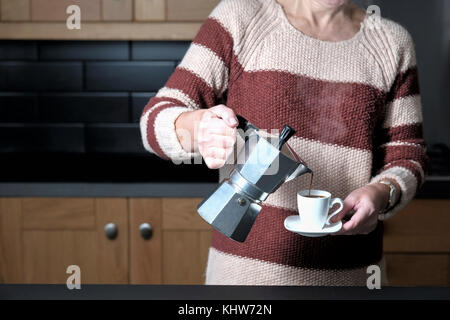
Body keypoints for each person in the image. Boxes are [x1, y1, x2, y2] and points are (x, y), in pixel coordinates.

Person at [140, 0, 426, 285]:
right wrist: (197, 126)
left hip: (353, 278)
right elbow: (154, 118)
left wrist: (383, 192)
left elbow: (408, 153)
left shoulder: (392, 42)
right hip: (243, 280)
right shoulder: (240, 18)